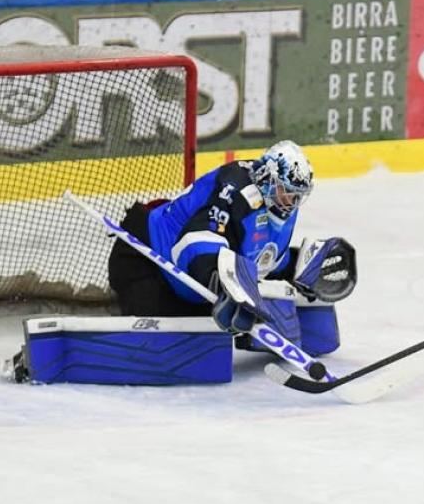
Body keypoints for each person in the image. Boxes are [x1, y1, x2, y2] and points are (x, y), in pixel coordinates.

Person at [108, 141, 356, 357]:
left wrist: (298, 267)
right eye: (286, 193)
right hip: (144, 260)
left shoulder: (279, 207)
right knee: (171, 346)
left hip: (185, 281)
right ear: (268, 179)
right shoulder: (233, 190)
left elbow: (263, 259)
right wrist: (219, 281)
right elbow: (195, 243)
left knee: (221, 323)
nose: (291, 202)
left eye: (297, 196)